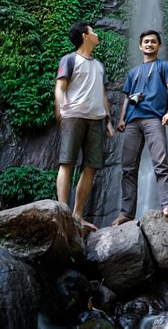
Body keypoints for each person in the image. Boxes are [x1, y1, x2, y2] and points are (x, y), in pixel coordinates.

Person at [112, 30, 168, 226]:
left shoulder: (164, 66)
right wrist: (122, 119)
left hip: (154, 119)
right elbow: (127, 98)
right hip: (132, 122)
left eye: (153, 42)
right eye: (146, 42)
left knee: (160, 163)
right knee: (128, 168)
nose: (149, 44)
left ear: (159, 46)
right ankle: (126, 213)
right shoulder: (133, 72)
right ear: (140, 46)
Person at [55, 21, 114, 230]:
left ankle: (77, 215)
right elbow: (60, 86)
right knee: (67, 162)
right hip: (74, 115)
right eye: (93, 32)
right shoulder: (69, 59)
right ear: (84, 36)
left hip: (96, 119)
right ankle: (62, 212)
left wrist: (108, 120)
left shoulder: (99, 66)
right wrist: (61, 108)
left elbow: (102, 94)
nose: (97, 35)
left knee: (91, 166)